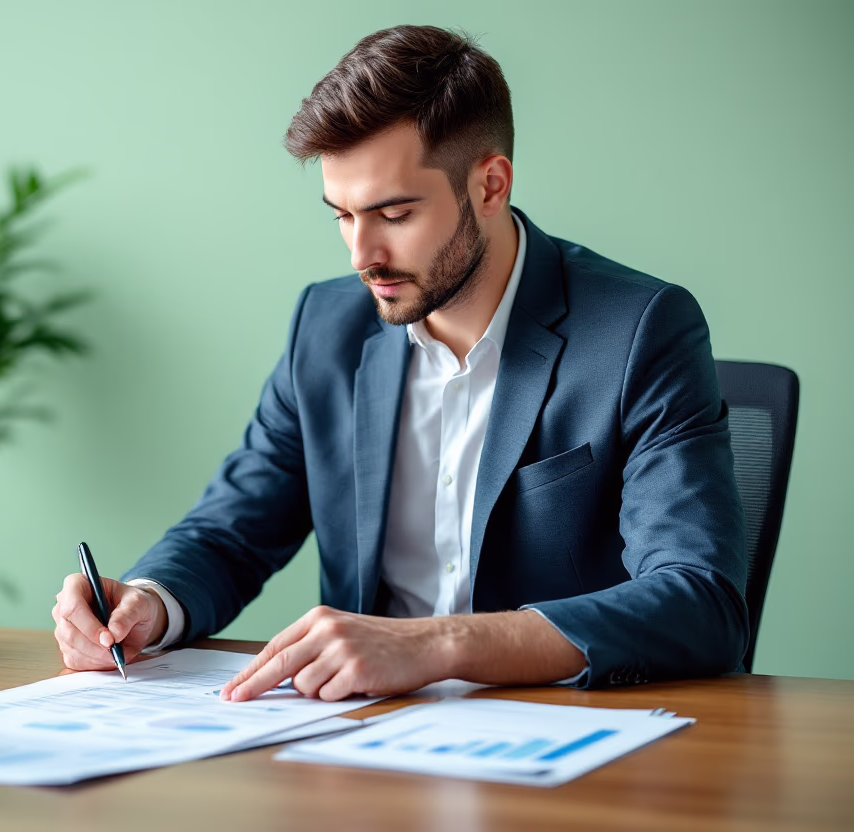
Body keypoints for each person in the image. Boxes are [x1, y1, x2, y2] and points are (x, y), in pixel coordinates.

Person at [51, 25, 748, 700]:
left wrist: (436, 644)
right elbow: (231, 531)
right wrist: (147, 601)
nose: (362, 257)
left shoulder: (640, 329)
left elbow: (700, 598)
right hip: (361, 743)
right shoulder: (324, 328)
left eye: (394, 214)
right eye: (343, 216)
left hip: (555, 741)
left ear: (490, 185)